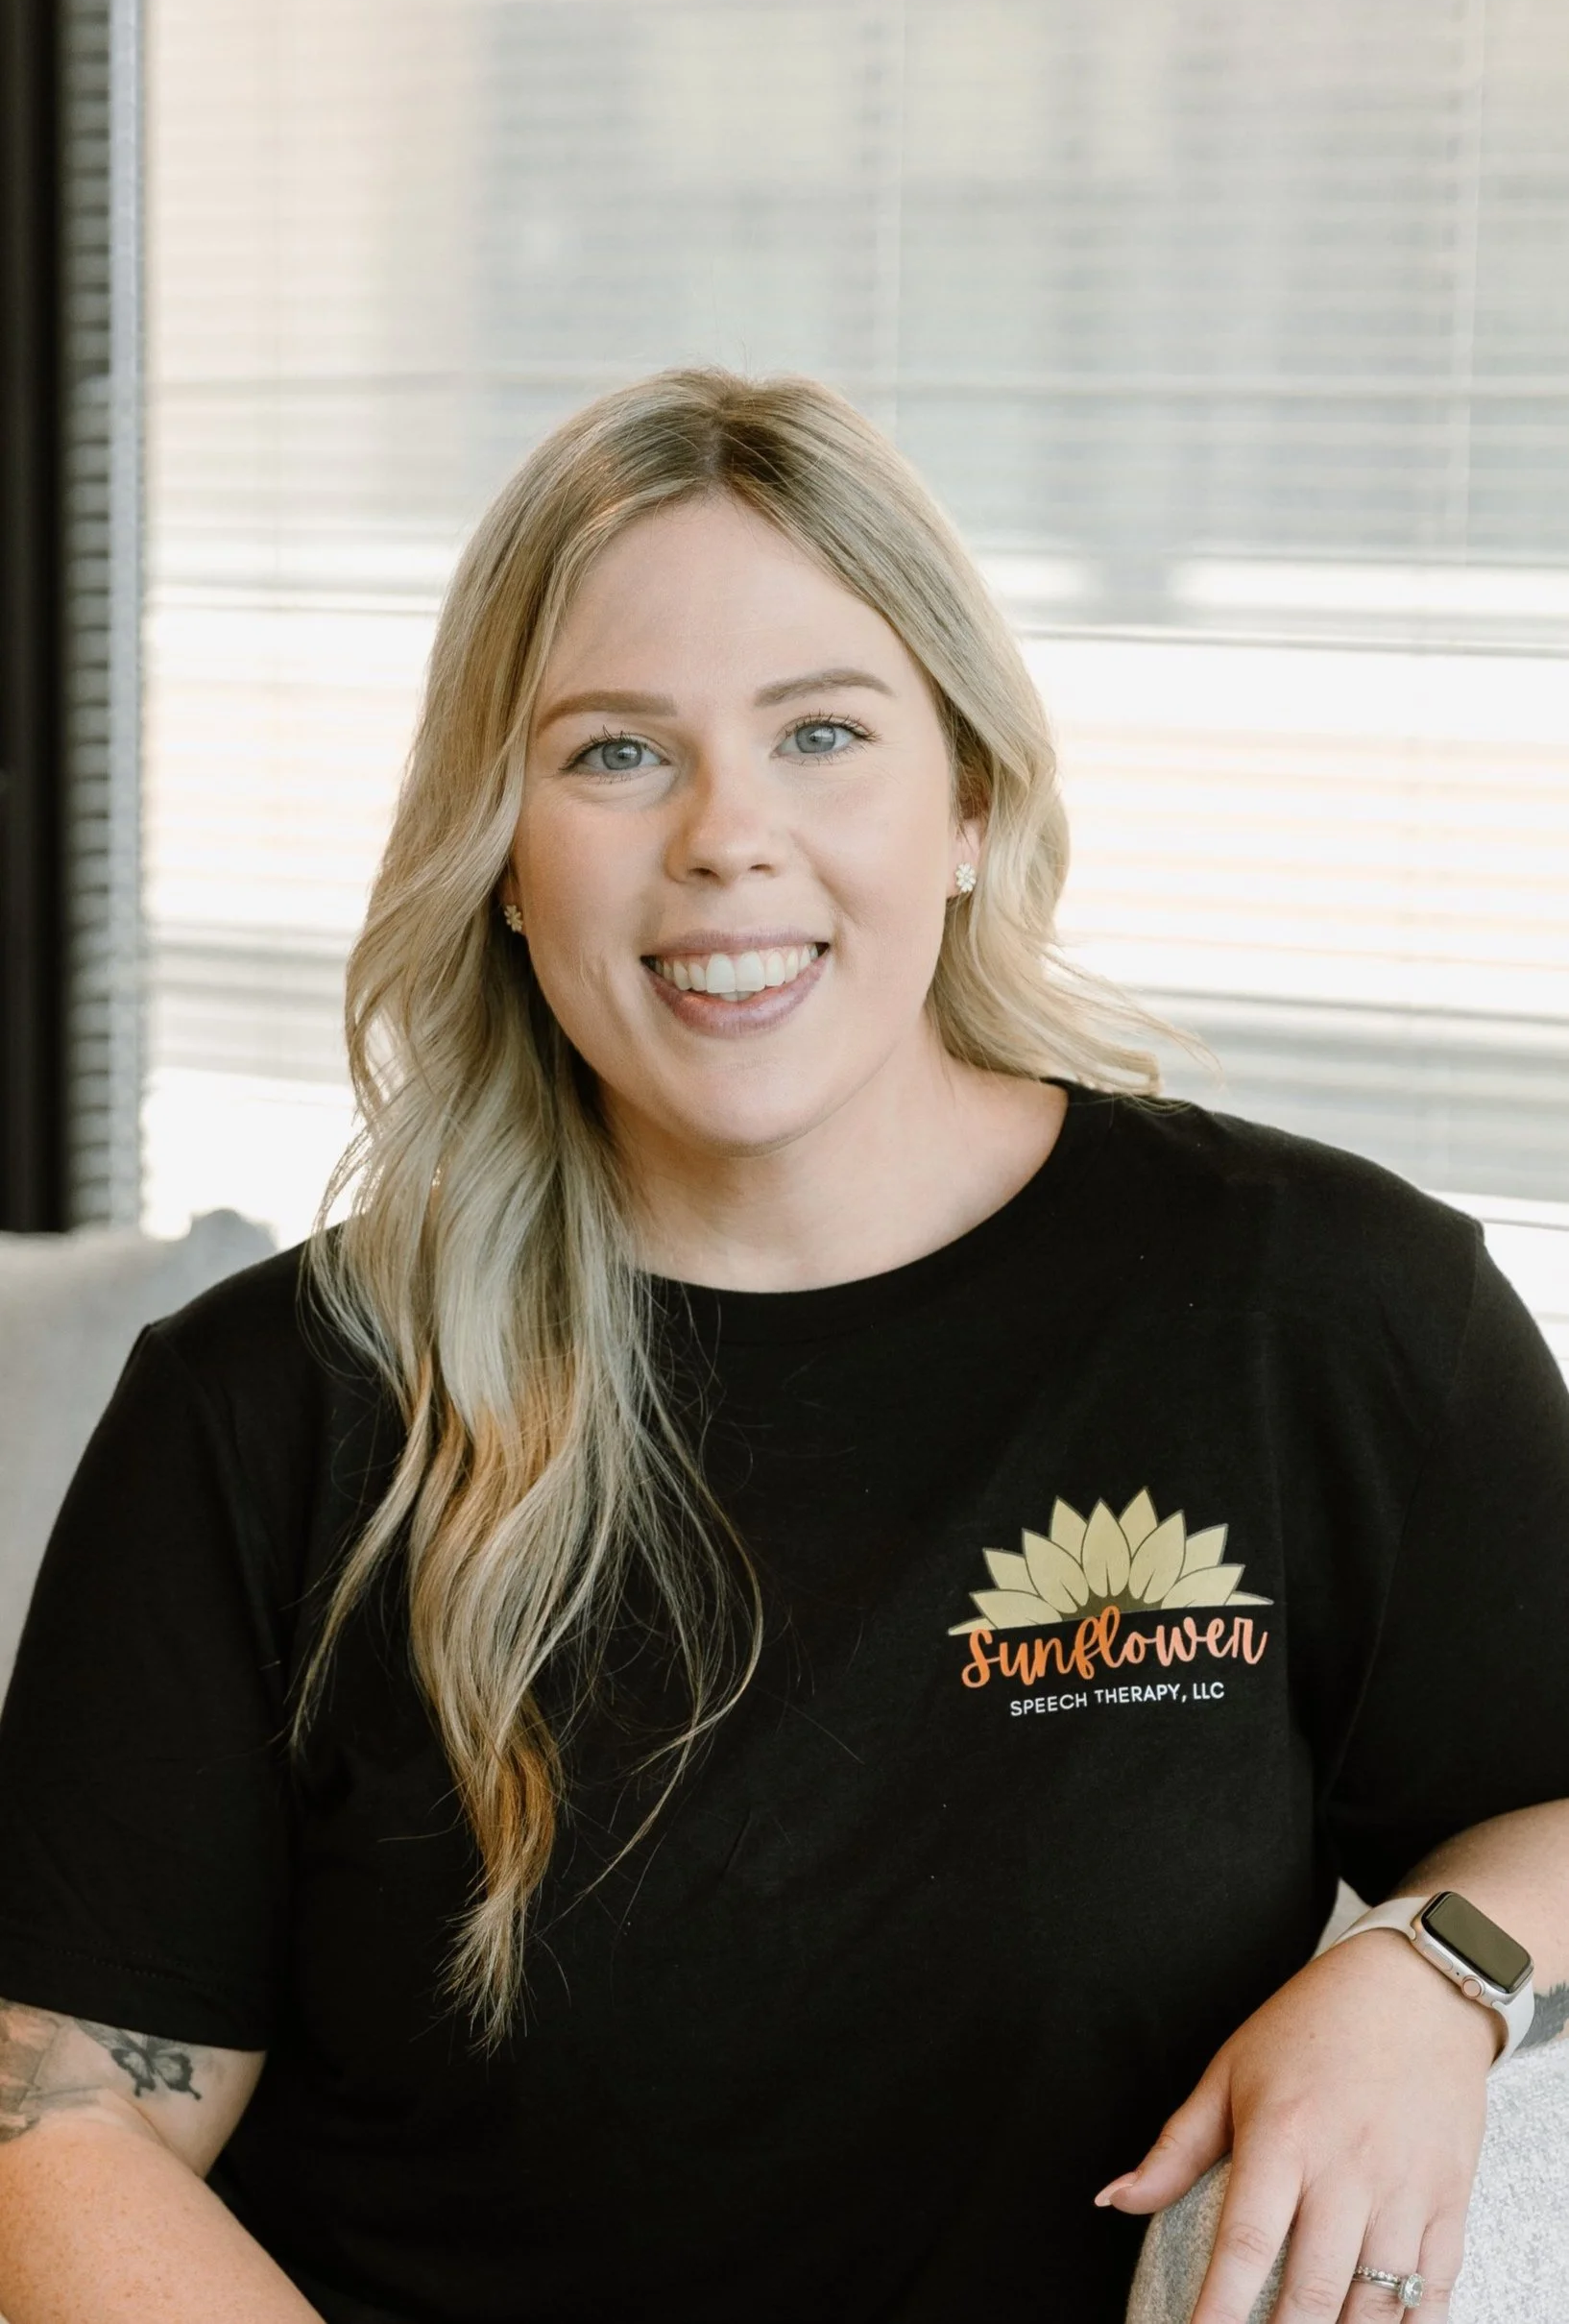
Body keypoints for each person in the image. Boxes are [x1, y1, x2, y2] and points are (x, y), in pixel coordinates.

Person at [1, 368, 1566, 2324]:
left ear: (971, 801)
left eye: (821, 733)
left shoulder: (1317, 1312)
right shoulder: (271, 1405)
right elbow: (55, 2123)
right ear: (499, 852)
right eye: (613, 756)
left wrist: (1438, 1970)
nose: (728, 840)